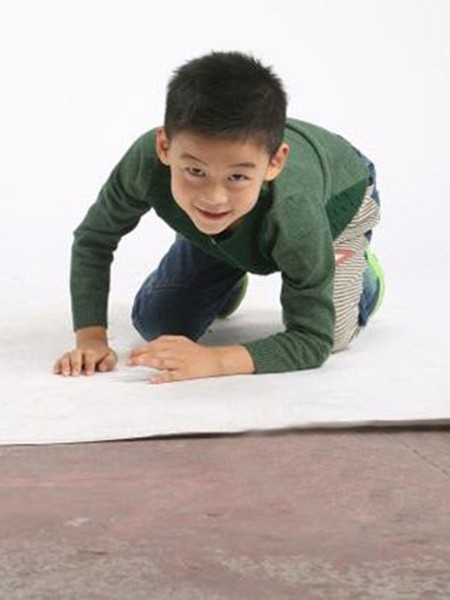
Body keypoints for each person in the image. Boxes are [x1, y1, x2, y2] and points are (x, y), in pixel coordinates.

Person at [53, 51, 384, 384]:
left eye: (237, 177)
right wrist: (91, 339)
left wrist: (215, 360)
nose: (213, 198)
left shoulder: (295, 211)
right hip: (240, 223)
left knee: (335, 333)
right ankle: (228, 265)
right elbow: (94, 239)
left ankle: (362, 275)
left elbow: (312, 339)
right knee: (160, 324)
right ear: (165, 147)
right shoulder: (145, 163)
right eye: (195, 171)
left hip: (339, 198)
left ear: (274, 163)